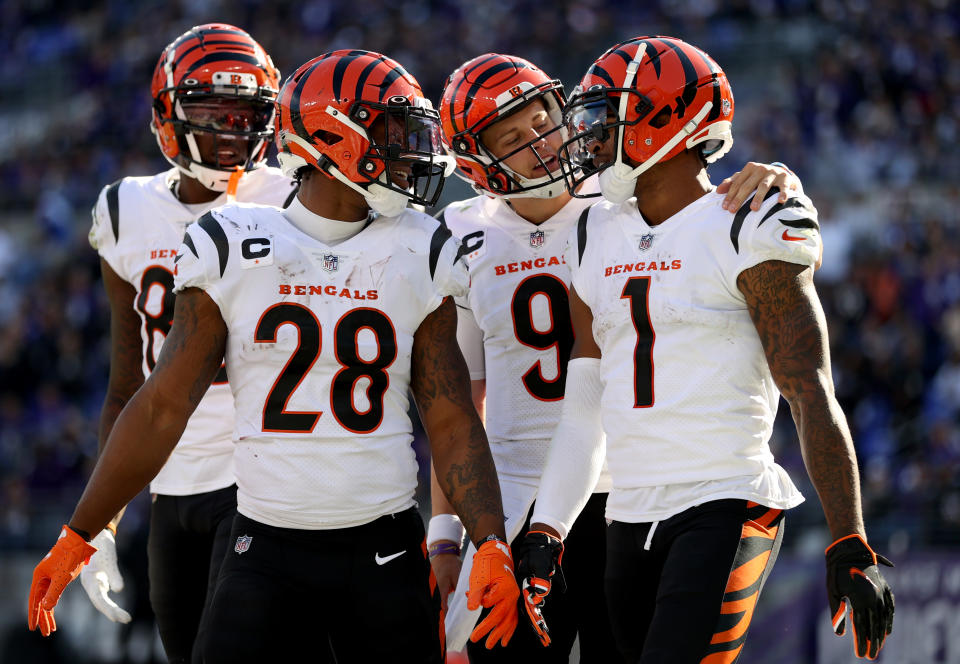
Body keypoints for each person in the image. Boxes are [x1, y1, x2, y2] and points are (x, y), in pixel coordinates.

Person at [28, 49, 519, 663]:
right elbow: (162, 405)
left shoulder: (423, 247)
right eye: (391, 132)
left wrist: (490, 541)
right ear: (336, 137)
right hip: (263, 546)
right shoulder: (229, 242)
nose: (409, 149)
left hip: (386, 546)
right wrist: (80, 532)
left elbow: (449, 419)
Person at [521, 35, 895, 663]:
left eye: (605, 117)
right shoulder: (595, 231)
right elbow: (585, 405)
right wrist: (548, 526)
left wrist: (849, 539)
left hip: (725, 500)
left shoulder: (747, 220)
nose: (587, 136)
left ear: (662, 119)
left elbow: (808, 387)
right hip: (628, 511)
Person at [431, 52, 808, 663]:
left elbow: (701, 194)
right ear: (480, 164)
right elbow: (458, 403)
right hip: (515, 491)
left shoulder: (617, 196)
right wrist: (448, 532)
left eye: (542, 119)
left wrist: (776, 177)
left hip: (622, 490)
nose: (542, 142)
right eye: (513, 138)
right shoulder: (455, 233)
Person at [82, 23, 295, 664]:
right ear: (169, 115)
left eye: (245, 113)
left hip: (265, 480)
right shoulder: (124, 210)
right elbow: (128, 383)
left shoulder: (294, 199)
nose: (231, 130)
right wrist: (101, 523)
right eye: (211, 113)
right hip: (169, 487)